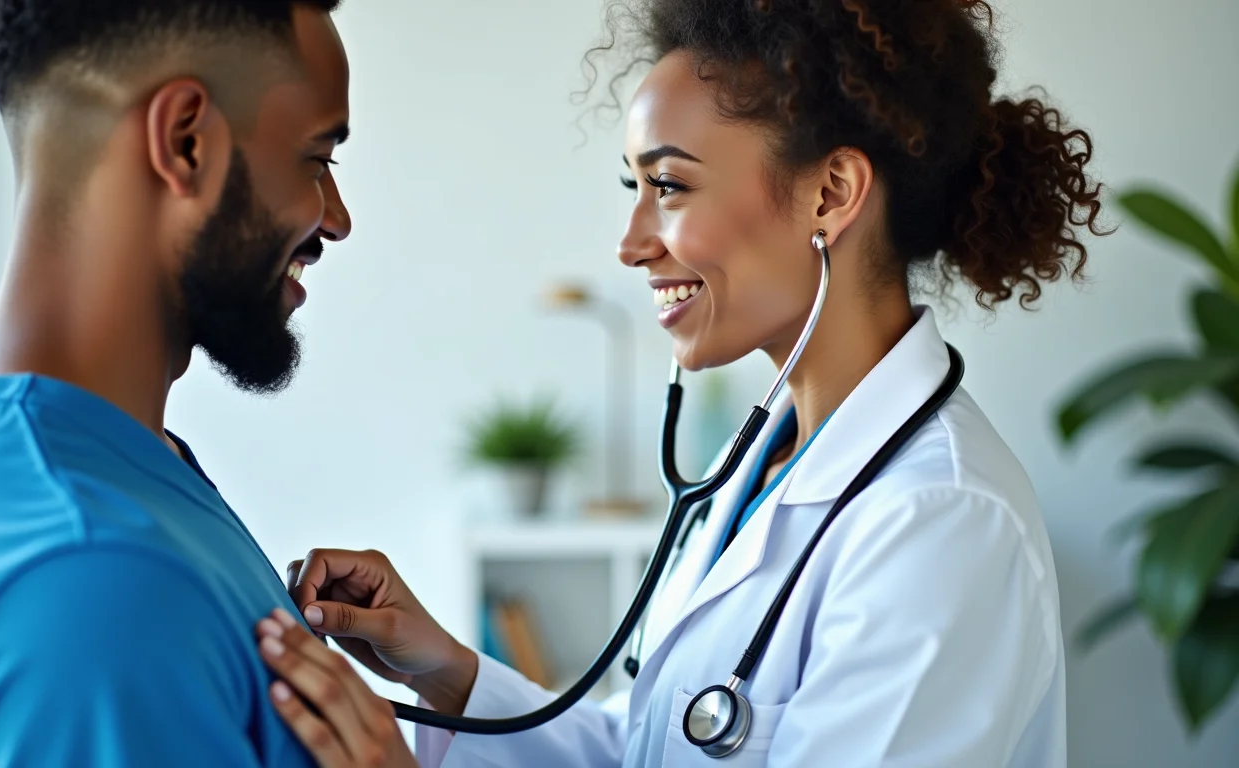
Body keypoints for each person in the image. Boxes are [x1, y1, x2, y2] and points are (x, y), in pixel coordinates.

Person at [254, 0, 1105, 766]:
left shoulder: (940, 524)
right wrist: (446, 670)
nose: (630, 241)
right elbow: (650, 747)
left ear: (831, 193)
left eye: (668, 185)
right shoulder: (763, 468)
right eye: (636, 187)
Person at [0, 1, 414, 765]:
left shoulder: (112, 460)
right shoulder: (98, 586)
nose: (336, 219)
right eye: (317, 158)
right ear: (185, 141)